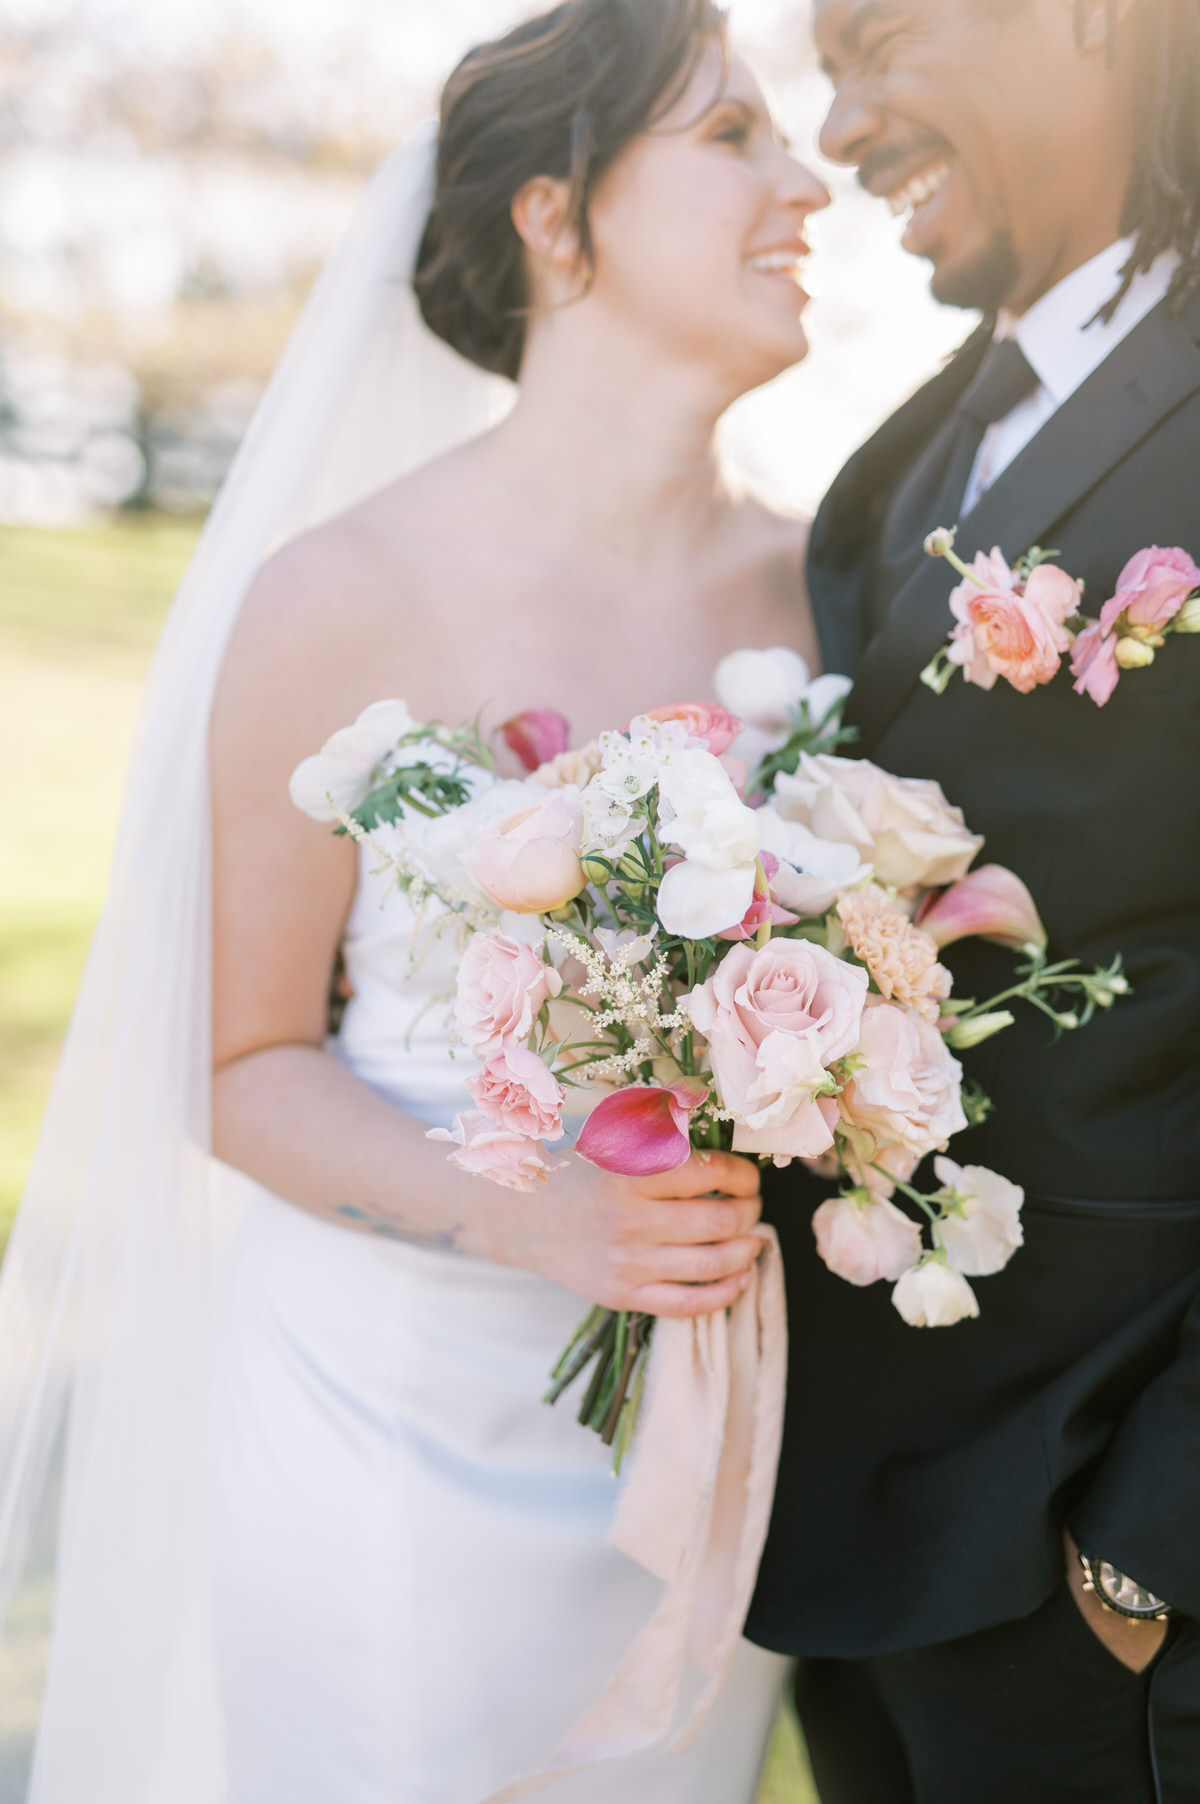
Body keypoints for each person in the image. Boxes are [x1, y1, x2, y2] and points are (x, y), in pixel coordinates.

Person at [0, 3, 835, 1800]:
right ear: (558, 217)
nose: (810, 183)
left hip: (702, 1448)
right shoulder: (343, 596)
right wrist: (536, 1222)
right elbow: (235, 1062)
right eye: (734, 138)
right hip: (394, 1438)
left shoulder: (824, 593)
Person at [745, 1, 1200, 1800]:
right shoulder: (892, 471)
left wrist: (1150, 1550)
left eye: (871, 42)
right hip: (856, 1562)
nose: (843, 129)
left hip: (1112, 1593)